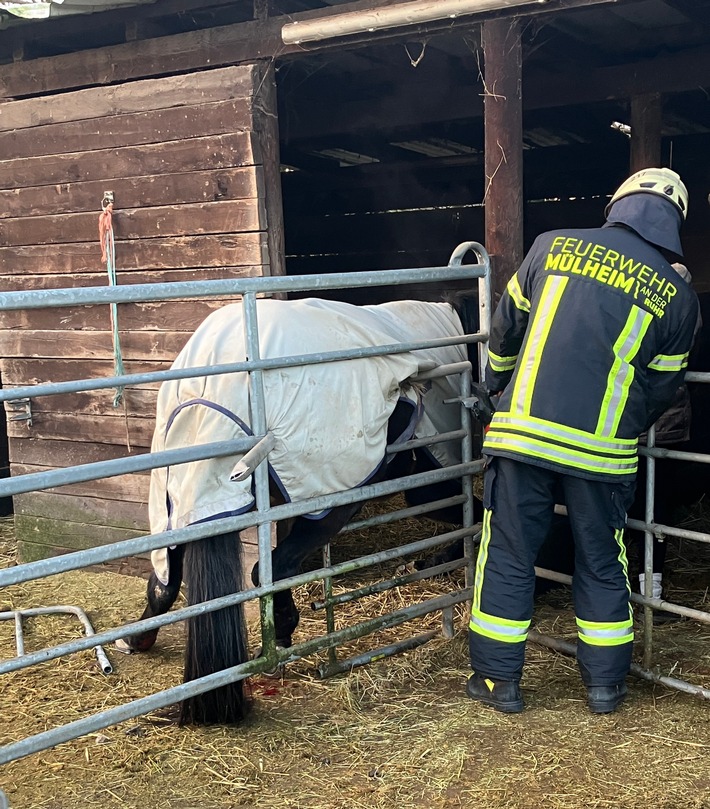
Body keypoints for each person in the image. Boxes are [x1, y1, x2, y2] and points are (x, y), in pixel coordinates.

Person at [466, 167, 700, 715]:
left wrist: (498, 385)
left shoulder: (552, 247)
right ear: (674, 225)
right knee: (602, 560)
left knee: (509, 551)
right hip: (602, 451)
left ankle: (500, 683)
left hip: (523, 433)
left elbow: (504, 330)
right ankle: (604, 689)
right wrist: (621, 423)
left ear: (617, 204)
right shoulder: (679, 298)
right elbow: (664, 387)